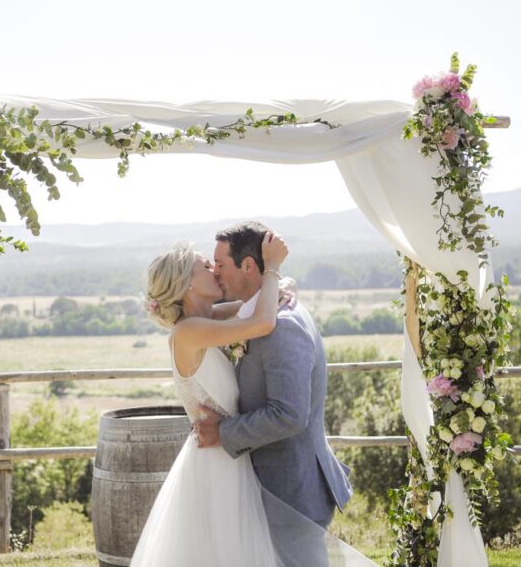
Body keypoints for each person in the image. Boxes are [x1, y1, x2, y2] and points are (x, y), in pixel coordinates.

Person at [130, 225, 377, 567]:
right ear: (187, 284)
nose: (215, 271)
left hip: (236, 458)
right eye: (207, 266)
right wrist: (273, 268)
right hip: (216, 458)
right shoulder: (189, 331)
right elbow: (261, 321)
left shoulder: (208, 317)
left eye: (218, 264)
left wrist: (281, 285)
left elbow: (253, 307)